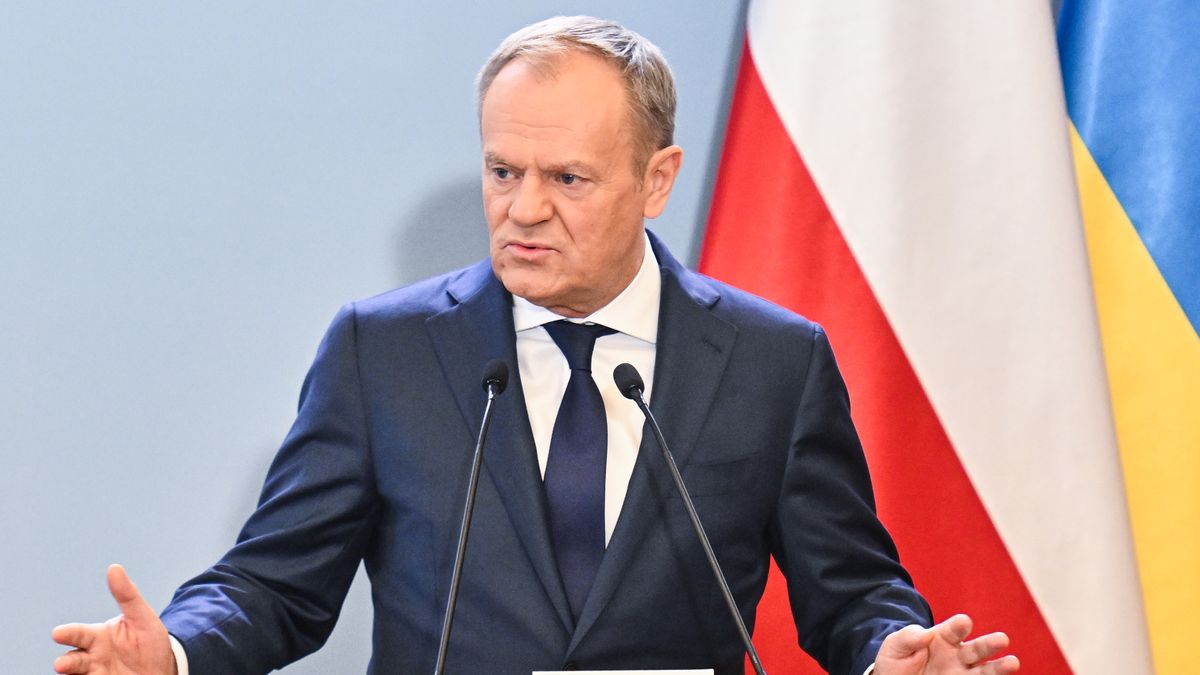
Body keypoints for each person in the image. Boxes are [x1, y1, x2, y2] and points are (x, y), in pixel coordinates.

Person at [52, 16, 1020, 675]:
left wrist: (889, 644)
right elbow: (274, 581)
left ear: (657, 178)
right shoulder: (382, 353)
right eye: (502, 169)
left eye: (567, 179)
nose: (522, 211)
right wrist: (174, 651)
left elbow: (848, 586)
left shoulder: (774, 363)